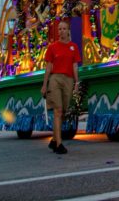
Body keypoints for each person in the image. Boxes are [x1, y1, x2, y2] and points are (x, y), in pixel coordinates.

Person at [41, 23, 81, 155]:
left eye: (64, 29)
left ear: (68, 31)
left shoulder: (73, 47)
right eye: (60, 29)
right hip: (55, 79)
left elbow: (75, 66)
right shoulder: (52, 47)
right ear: (57, 31)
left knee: (63, 111)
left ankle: (53, 140)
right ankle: (59, 144)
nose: (62, 31)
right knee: (58, 110)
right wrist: (44, 84)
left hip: (68, 80)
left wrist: (77, 82)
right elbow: (48, 67)